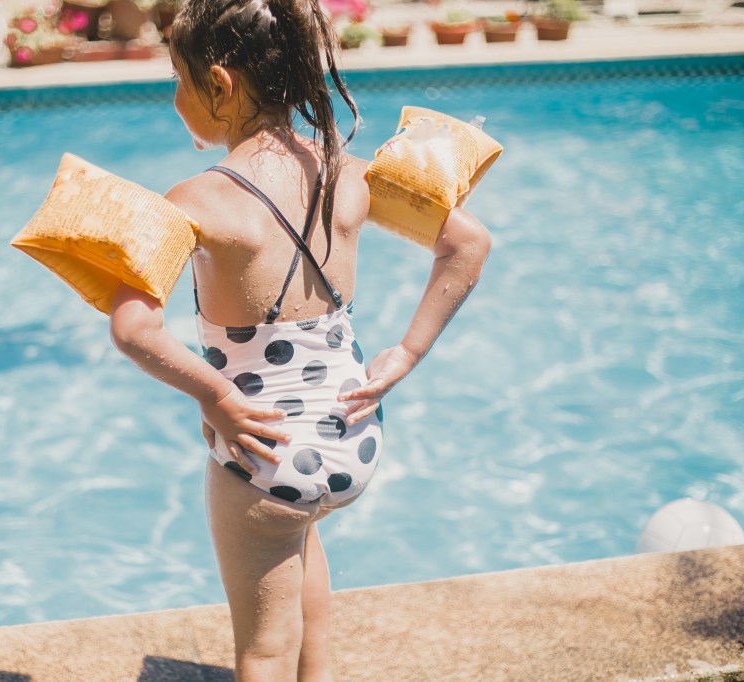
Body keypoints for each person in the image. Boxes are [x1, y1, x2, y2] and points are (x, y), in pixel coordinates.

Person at [107, 0, 492, 678]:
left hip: (265, 460)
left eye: (178, 76)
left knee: (261, 648)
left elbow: (135, 330)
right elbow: (468, 244)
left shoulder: (196, 200)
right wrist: (405, 353)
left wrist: (217, 395)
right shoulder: (352, 175)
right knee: (303, 572)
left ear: (220, 84)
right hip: (349, 439)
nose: (174, 94)